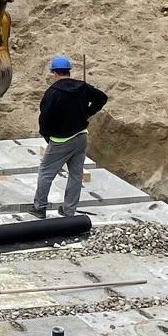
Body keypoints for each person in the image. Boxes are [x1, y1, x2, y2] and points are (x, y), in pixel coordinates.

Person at [33, 56, 108, 216]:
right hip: (81, 137)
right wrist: (88, 112)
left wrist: (47, 136)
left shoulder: (52, 93)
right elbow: (102, 98)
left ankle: (39, 208)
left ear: (54, 73)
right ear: (68, 71)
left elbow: (44, 118)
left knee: (46, 172)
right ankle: (69, 211)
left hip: (61, 140)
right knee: (76, 175)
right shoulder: (82, 87)